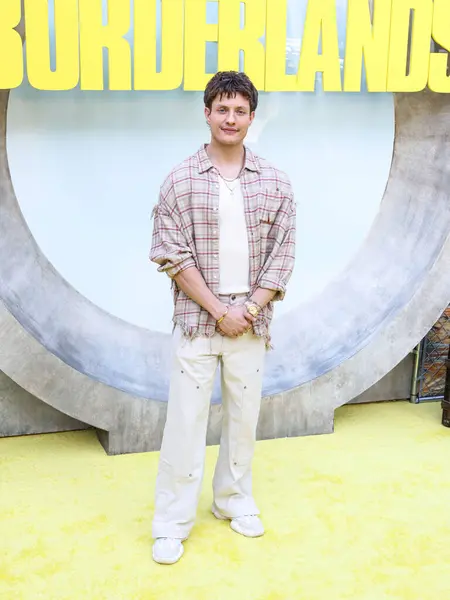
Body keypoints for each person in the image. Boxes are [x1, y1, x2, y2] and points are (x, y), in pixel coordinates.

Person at [149, 71, 296, 565]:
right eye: (222, 109)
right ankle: (171, 522)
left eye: (240, 110)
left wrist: (248, 310)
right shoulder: (178, 179)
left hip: (251, 320)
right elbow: (171, 253)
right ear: (207, 113)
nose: (230, 118)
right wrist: (218, 311)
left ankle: (234, 501)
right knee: (184, 424)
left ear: (252, 118)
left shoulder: (275, 181)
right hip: (197, 319)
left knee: (243, 418)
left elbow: (284, 254)